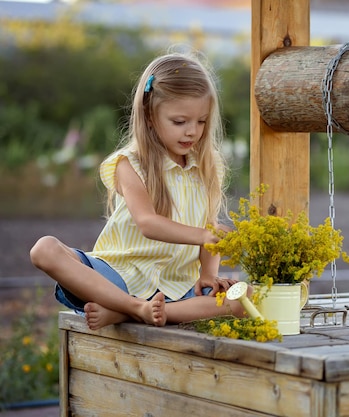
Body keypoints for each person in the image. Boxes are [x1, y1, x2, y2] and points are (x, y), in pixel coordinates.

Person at [30, 51, 249, 330]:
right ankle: (134, 307)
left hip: (176, 285)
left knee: (244, 298)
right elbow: (148, 223)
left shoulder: (206, 167)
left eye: (201, 121)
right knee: (44, 249)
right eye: (180, 122)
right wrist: (207, 235)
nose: (192, 131)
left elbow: (208, 226)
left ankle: (132, 313)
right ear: (149, 115)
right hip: (118, 277)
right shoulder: (130, 164)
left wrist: (208, 274)